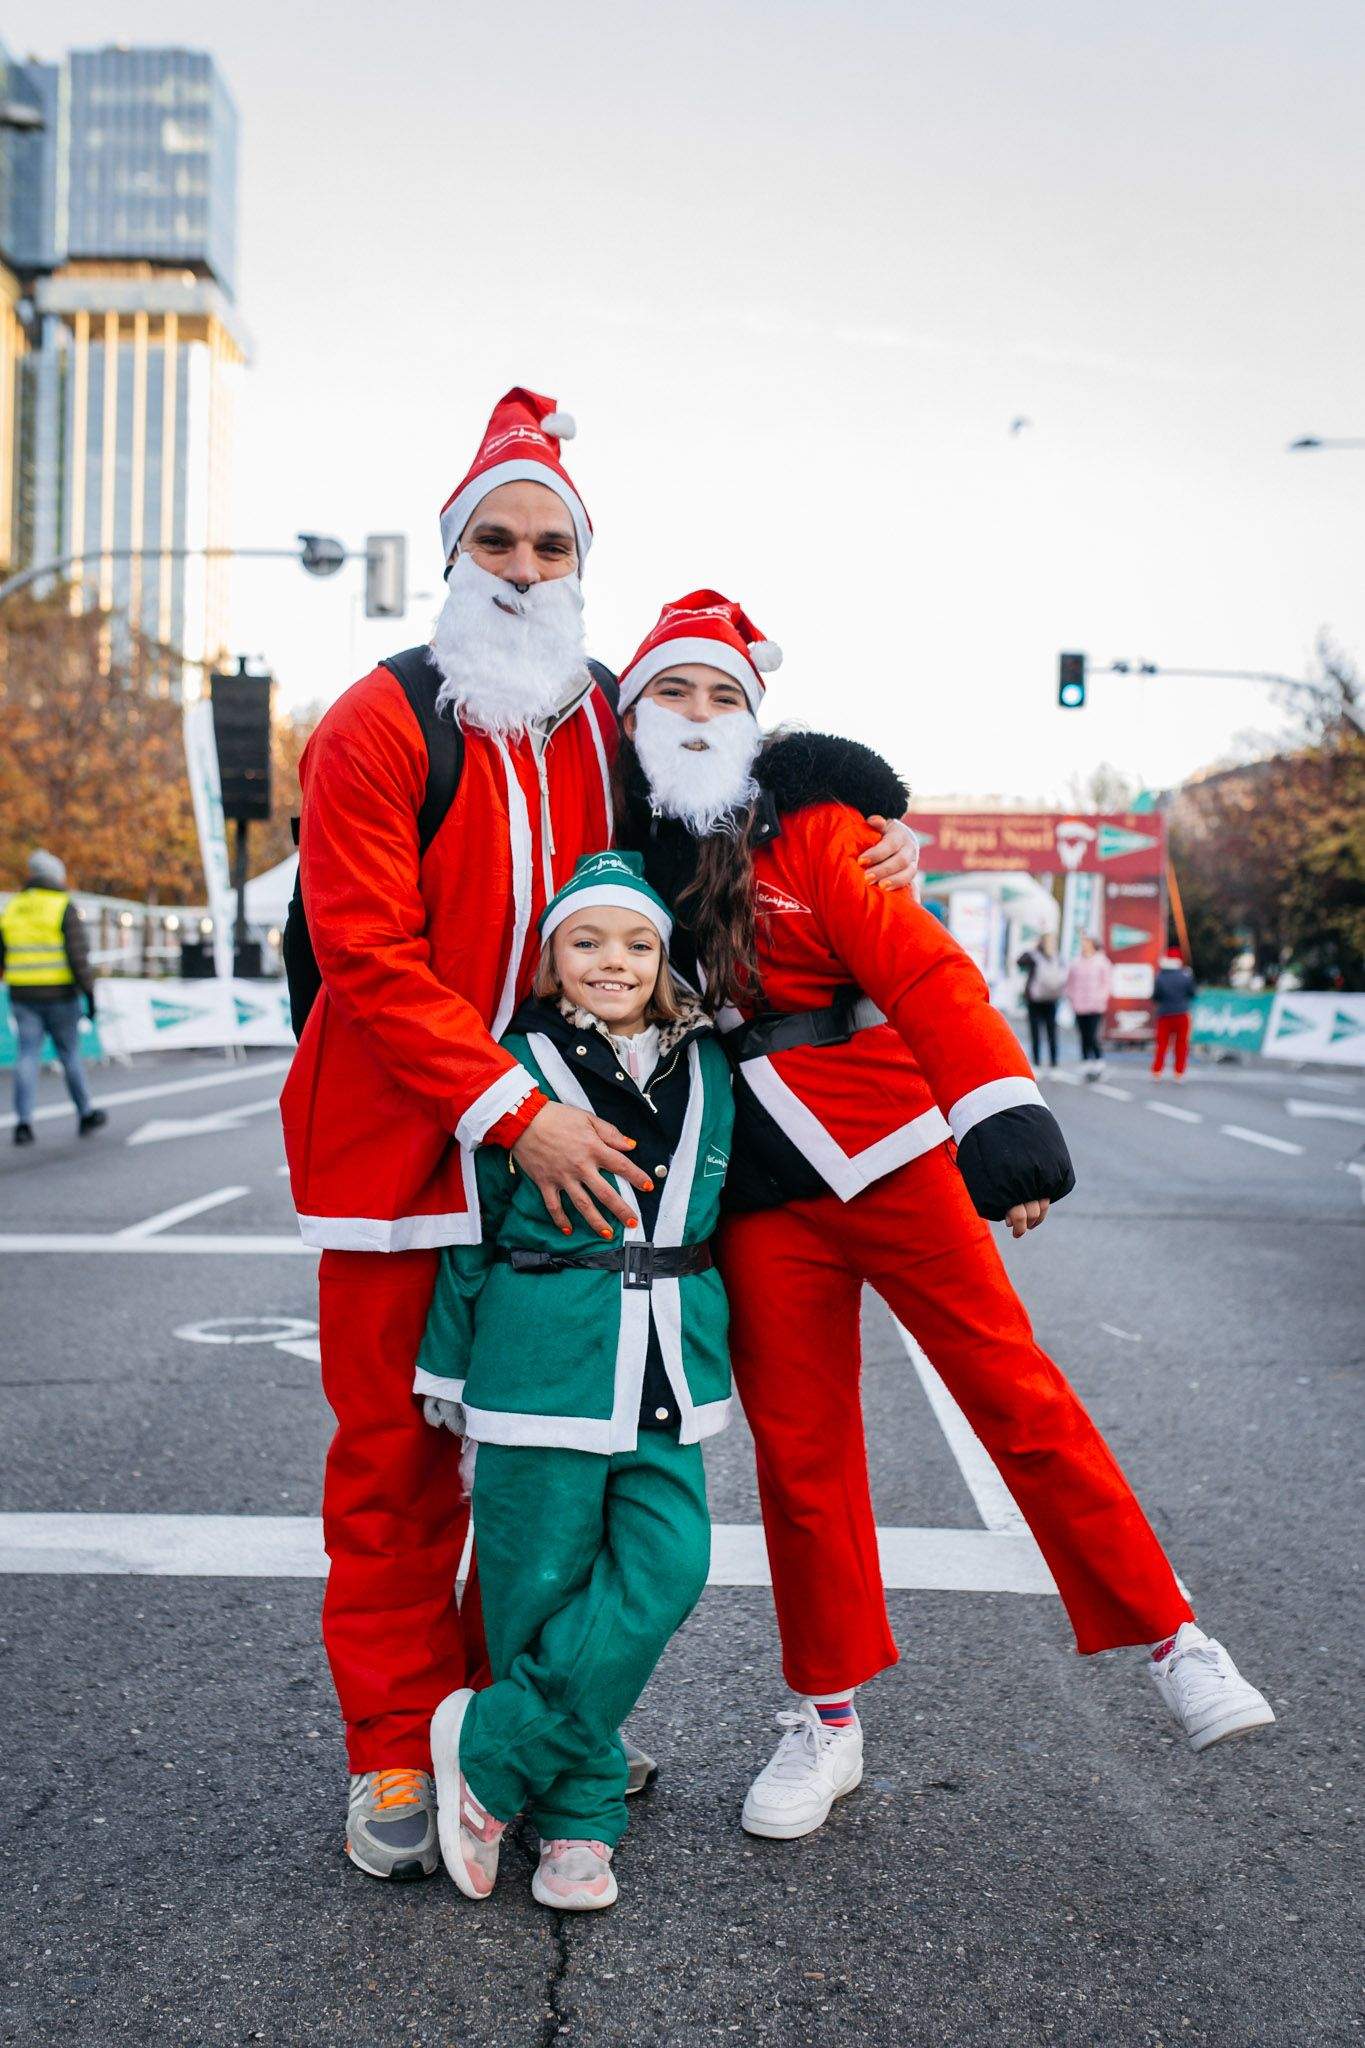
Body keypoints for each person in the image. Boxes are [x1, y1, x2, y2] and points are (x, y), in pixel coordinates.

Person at [280, 392, 915, 1882]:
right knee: (394, 1466)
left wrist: (884, 827)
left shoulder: (611, 713)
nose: (520, 564)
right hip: (410, 1153)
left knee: (551, 1480)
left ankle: (527, 1719)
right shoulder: (379, 718)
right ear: (452, 552)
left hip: (580, 1142)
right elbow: (361, 954)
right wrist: (517, 1110)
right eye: (493, 537)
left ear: (580, 561)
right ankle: (393, 1741)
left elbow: (738, 798)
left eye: (548, 542)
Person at [614, 590, 1273, 1842]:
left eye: (723, 696)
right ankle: (825, 1716)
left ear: (756, 718)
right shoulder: (624, 844)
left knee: (1016, 1393)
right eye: (671, 693)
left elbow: (919, 970)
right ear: (635, 712)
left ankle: (1174, 1636)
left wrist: (998, 1119)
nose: (697, 717)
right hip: (759, 1188)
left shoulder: (816, 829)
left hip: (899, 1147)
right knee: (803, 1462)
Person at [418, 852, 733, 1911]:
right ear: (550, 959)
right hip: (540, 1353)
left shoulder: (709, 1064)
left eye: (638, 942)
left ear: (665, 959)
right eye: (588, 940)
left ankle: (490, 1752)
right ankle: (581, 1822)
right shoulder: (512, 1061)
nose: (614, 960)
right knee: (536, 1587)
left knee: (669, 1563)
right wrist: (447, 1363)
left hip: (667, 1358)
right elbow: (470, 1220)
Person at [1, 850, 107, 1146]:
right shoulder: (62, 906)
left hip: (22, 994)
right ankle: (85, 1112)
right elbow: (78, 956)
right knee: (70, 1054)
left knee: (26, 1056)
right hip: (60, 994)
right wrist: (89, 993)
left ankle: (23, 1123)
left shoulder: (14, 907)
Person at [1016, 932, 1065, 1072]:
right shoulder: (1047, 957)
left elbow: (1019, 962)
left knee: (1044, 1032)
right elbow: (1020, 961)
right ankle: (1045, 1063)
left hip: (1044, 999)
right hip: (1042, 1000)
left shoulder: (1048, 957)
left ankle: (1046, 1063)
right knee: (1043, 1032)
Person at [1066, 933, 1112, 1078]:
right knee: (1083, 1035)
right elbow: (1070, 982)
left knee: (1093, 1035)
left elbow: (1107, 983)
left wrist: (1101, 998)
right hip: (1079, 1005)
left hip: (1095, 1005)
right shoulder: (1076, 962)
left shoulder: (1102, 962)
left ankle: (1098, 1060)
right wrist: (1072, 997)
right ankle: (1086, 1061)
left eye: (1086, 942)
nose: (1084, 945)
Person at [1152, 945, 1197, 1081]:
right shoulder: (1185, 976)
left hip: (1164, 1014)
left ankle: (1157, 1070)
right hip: (1182, 1013)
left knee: (1162, 1044)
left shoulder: (1160, 976)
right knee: (1181, 1044)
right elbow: (1192, 993)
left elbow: (1156, 996)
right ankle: (1179, 1072)